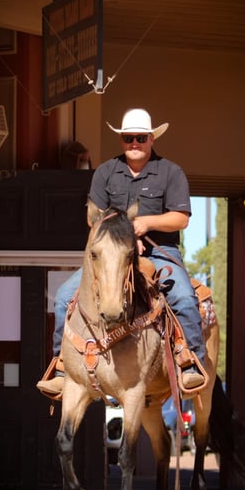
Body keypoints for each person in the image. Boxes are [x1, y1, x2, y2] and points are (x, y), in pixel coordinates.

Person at [37, 108, 206, 396]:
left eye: (141, 137)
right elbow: (95, 221)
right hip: (113, 253)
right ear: (122, 140)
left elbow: (181, 218)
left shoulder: (170, 172)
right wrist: (124, 238)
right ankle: (62, 366)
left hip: (159, 251)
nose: (134, 144)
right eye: (128, 138)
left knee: (184, 296)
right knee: (65, 296)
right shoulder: (105, 172)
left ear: (152, 138)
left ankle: (189, 362)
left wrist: (144, 224)